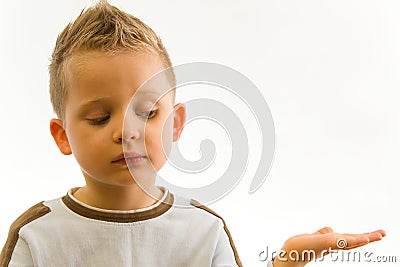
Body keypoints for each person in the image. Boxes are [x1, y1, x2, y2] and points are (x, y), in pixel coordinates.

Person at [0, 1, 385, 266]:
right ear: (62, 135)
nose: (126, 131)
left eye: (148, 112)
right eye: (100, 117)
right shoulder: (38, 236)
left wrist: (284, 261)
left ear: (177, 123)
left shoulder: (203, 231)